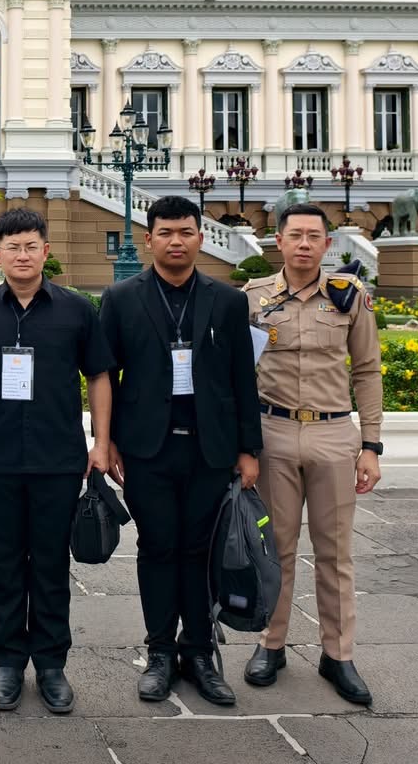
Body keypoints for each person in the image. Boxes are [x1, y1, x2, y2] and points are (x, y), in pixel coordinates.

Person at [99, 194, 261, 707]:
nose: (176, 241)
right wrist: (108, 442)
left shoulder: (228, 301)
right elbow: (106, 375)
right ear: (148, 239)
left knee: (201, 552)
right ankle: (161, 653)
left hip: (211, 451)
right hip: (147, 450)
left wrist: (248, 449)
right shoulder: (121, 298)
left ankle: (199, 654)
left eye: (185, 232)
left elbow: (242, 379)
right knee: (158, 548)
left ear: (199, 236)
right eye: (165, 233)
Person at [0, 207, 113, 715]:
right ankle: (6, 661)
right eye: (11, 247)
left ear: (46, 251)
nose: (21, 256)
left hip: (58, 459)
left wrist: (101, 442)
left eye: (31, 246)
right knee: (2, 564)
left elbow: (101, 377)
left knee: (49, 564)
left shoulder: (77, 310)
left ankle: (49, 663)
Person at [242, 203, 383, 706]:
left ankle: (338, 654)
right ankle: (271, 644)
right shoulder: (254, 299)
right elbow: (239, 376)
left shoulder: (349, 298)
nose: (304, 244)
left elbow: (367, 371)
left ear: (327, 246)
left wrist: (370, 445)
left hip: (332, 437)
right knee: (275, 551)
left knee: (335, 552)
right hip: (273, 435)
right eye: (294, 235)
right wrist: (244, 448)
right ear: (276, 242)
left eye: (313, 237)